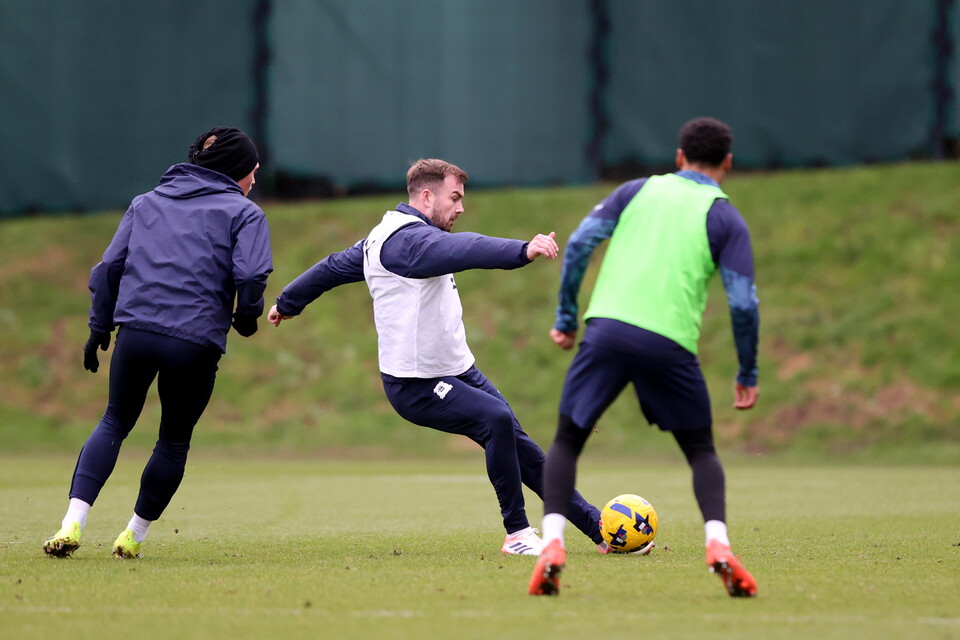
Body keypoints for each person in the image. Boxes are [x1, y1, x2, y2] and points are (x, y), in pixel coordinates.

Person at [269, 158, 612, 556]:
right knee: (496, 419)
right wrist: (523, 249)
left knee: (519, 445)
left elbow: (332, 267)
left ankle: (599, 530)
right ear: (427, 196)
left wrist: (288, 302)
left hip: (456, 370)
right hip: (417, 383)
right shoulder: (409, 243)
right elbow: (467, 248)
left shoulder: (386, 237)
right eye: (455, 197)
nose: (461, 207)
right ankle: (517, 534)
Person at [529, 117, 760, 597]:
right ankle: (717, 544)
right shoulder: (725, 218)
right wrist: (747, 369)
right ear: (728, 163)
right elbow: (743, 303)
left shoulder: (635, 191)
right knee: (701, 452)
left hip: (607, 331)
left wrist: (567, 317)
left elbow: (579, 244)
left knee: (568, 440)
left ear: (679, 156)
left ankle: (551, 544)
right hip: (669, 343)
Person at [43, 127, 273, 559]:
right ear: (236, 170)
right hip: (195, 342)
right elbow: (250, 274)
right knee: (174, 440)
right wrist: (247, 315)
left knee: (114, 421)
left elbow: (109, 268)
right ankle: (132, 536)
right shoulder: (245, 213)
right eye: (253, 171)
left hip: (137, 333)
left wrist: (99, 327)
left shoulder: (145, 202)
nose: (255, 180)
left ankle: (72, 522)